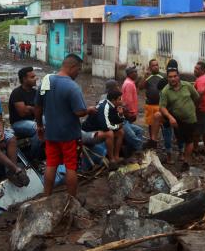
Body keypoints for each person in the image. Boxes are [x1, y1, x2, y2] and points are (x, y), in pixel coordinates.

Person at [35, 54, 96, 198]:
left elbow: (37, 106)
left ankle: (46, 197)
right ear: (72, 67)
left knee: (51, 165)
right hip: (69, 136)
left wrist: (39, 126)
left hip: (51, 134)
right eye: (79, 70)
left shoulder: (46, 81)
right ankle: (72, 200)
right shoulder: (72, 87)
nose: (78, 73)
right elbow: (79, 112)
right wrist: (89, 110)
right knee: (71, 167)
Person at [159, 67, 200, 170]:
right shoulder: (165, 91)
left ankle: (186, 162)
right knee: (180, 139)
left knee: (189, 140)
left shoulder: (187, 85)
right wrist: (170, 117)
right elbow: (162, 107)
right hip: (176, 120)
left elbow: (196, 97)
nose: (173, 79)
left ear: (178, 76)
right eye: (170, 77)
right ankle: (179, 154)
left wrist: (192, 109)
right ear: (167, 78)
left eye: (175, 76)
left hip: (190, 119)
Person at [82, 89, 124, 165]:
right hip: (88, 132)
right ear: (113, 100)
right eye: (120, 99)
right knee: (109, 133)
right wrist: (118, 126)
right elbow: (106, 126)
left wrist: (120, 115)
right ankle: (111, 160)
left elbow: (116, 121)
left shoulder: (113, 106)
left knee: (120, 132)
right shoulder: (105, 107)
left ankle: (116, 157)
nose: (122, 101)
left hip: (98, 129)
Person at [9, 67, 42, 159]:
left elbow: (43, 109)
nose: (36, 78)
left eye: (35, 76)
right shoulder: (17, 93)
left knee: (52, 122)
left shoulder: (36, 92)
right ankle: (33, 157)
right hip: (18, 124)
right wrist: (34, 109)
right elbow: (23, 113)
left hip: (33, 120)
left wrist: (30, 108)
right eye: (32, 77)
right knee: (38, 129)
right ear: (24, 79)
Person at [103, 79, 143, 152]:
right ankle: (140, 150)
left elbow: (121, 107)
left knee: (140, 130)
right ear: (113, 88)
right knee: (133, 137)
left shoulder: (116, 95)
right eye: (117, 86)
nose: (118, 87)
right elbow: (114, 114)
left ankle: (132, 150)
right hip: (117, 122)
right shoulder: (106, 98)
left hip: (122, 120)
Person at [139, 59, 165, 148]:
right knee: (150, 124)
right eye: (153, 65)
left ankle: (164, 142)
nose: (156, 66)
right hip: (150, 105)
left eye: (157, 65)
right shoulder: (148, 77)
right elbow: (141, 87)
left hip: (160, 105)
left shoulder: (163, 76)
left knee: (162, 125)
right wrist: (144, 77)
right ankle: (152, 141)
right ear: (150, 67)